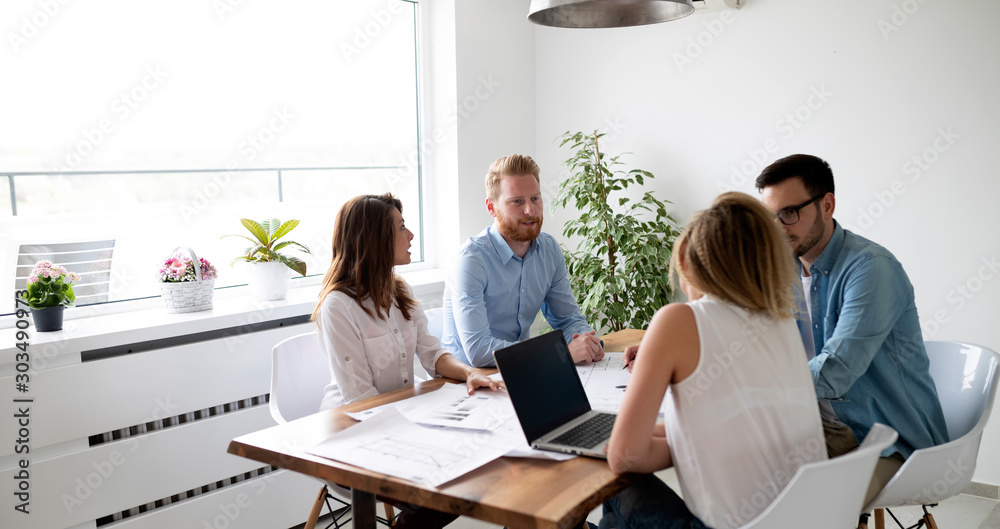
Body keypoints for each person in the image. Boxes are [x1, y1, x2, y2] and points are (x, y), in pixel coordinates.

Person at [604, 192, 826, 529]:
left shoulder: (679, 319)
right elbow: (732, 420)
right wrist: (677, 439)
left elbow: (624, 457)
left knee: (613, 484)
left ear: (686, 262)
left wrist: (663, 443)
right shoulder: (783, 321)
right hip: (808, 519)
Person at [755, 153, 948, 503]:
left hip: (886, 442)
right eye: (770, 217)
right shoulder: (781, 267)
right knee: (733, 475)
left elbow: (835, 373)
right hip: (816, 428)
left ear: (826, 205)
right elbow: (737, 327)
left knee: (808, 508)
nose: (778, 227)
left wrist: (753, 389)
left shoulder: (871, 269)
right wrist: (671, 348)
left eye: (789, 213)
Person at [312, 193, 501, 528]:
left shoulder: (400, 290)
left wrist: (470, 373)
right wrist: (426, 430)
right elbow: (359, 399)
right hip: (353, 433)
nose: (411, 235)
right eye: (401, 227)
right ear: (374, 239)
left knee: (474, 474)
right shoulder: (338, 306)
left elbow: (433, 355)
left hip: (398, 419)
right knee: (449, 489)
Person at [441, 154, 603, 367]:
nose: (530, 210)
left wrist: (587, 341)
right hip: (466, 380)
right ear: (492, 208)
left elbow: (568, 320)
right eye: (517, 201)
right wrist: (559, 353)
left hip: (524, 367)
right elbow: (479, 350)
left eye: (535, 198)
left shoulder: (549, 250)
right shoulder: (470, 260)